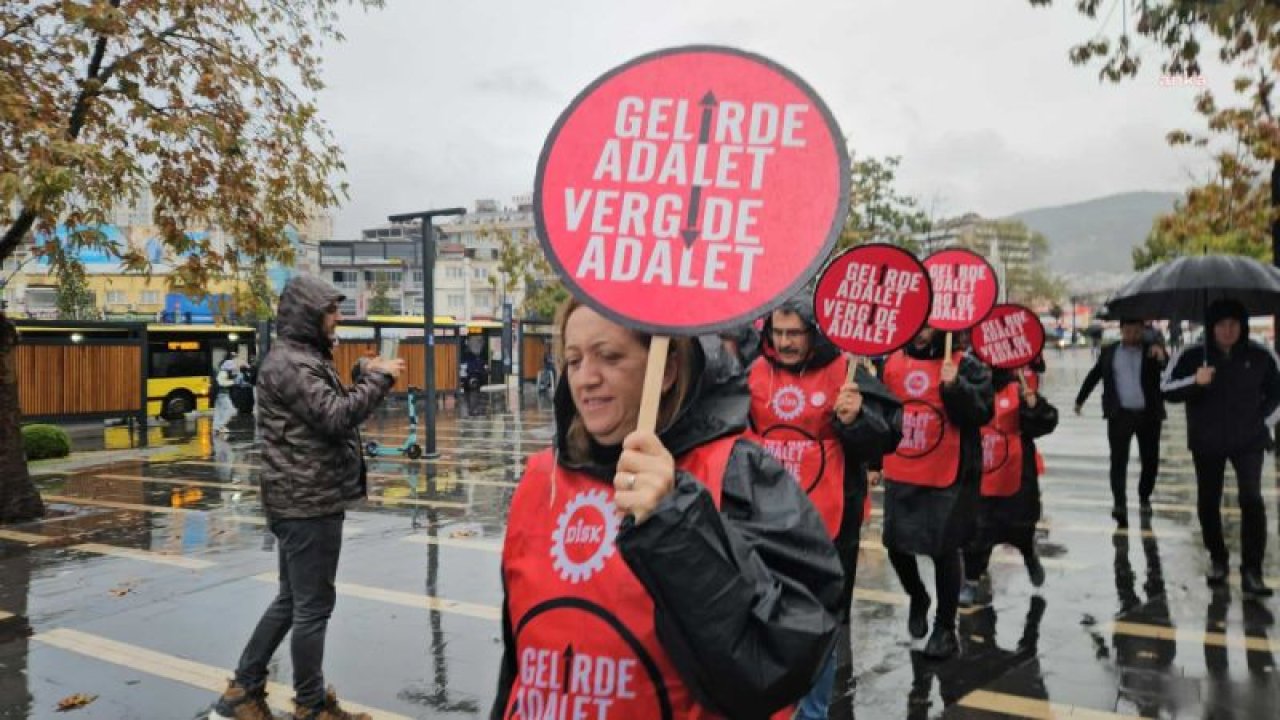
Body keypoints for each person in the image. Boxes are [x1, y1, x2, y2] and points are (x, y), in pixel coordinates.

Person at [491, 298, 844, 720]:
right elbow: (520, 657)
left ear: (668, 369)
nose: (586, 378)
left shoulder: (734, 473)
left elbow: (778, 661)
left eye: (610, 356)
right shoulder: (540, 477)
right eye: (573, 360)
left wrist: (675, 518)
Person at [210, 275, 405, 720]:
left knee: (291, 601)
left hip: (299, 497)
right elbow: (335, 417)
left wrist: (359, 377)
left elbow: (324, 407)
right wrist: (376, 381)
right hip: (307, 501)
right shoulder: (293, 364)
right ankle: (311, 706)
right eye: (330, 312)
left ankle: (243, 692)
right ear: (309, 316)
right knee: (312, 607)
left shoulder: (299, 358)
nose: (336, 319)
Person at [747, 296, 903, 718]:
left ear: (814, 332)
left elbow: (888, 437)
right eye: (777, 333)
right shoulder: (754, 372)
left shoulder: (846, 372)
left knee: (820, 620)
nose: (785, 342)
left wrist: (858, 419)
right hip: (763, 522)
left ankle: (813, 712)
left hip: (830, 521)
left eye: (794, 333)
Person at [880, 328, 993, 659]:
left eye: (928, 325)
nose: (919, 332)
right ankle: (918, 596)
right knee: (895, 544)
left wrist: (954, 388)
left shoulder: (967, 365)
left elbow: (982, 413)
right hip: (902, 468)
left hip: (950, 472)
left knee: (944, 549)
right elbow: (883, 414)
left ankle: (945, 627)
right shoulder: (892, 363)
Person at [1161, 298, 1280, 597]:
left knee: (1251, 499)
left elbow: (1276, 392)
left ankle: (1252, 570)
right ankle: (1218, 558)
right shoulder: (1191, 354)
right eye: (1221, 325)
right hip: (1207, 440)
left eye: (1234, 325)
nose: (1228, 331)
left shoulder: (1260, 355)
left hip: (1249, 441)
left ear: (1243, 326)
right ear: (1211, 327)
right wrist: (1195, 381)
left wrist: (1263, 420)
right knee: (1207, 501)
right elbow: (1166, 389)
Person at [960, 365, 1058, 605]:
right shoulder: (970, 389)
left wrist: (1036, 407)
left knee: (1020, 528)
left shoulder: (1019, 389)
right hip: (980, 477)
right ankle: (971, 580)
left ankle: (1029, 555)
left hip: (1016, 477)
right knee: (976, 533)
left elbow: (1045, 424)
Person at [1073, 318, 1167, 527]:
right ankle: (1119, 504)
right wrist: (1080, 400)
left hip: (1148, 415)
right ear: (1121, 330)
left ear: (1143, 330)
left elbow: (1168, 370)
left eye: (1136, 331)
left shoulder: (1152, 350)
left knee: (1150, 460)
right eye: (1128, 331)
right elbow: (1094, 375)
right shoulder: (1110, 352)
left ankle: (1144, 496)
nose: (1132, 335)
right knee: (1118, 461)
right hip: (1120, 415)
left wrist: (1162, 356)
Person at [213, 356, 240, 434]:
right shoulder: (223, 373)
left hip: (219, 395)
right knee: (231, 410)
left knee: (219, 412)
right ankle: (220, 426)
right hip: (222, 394)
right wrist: (233, 382)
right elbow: (221, 383)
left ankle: (217, 427)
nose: (233, 369)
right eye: (232, 367)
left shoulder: (223, 372)